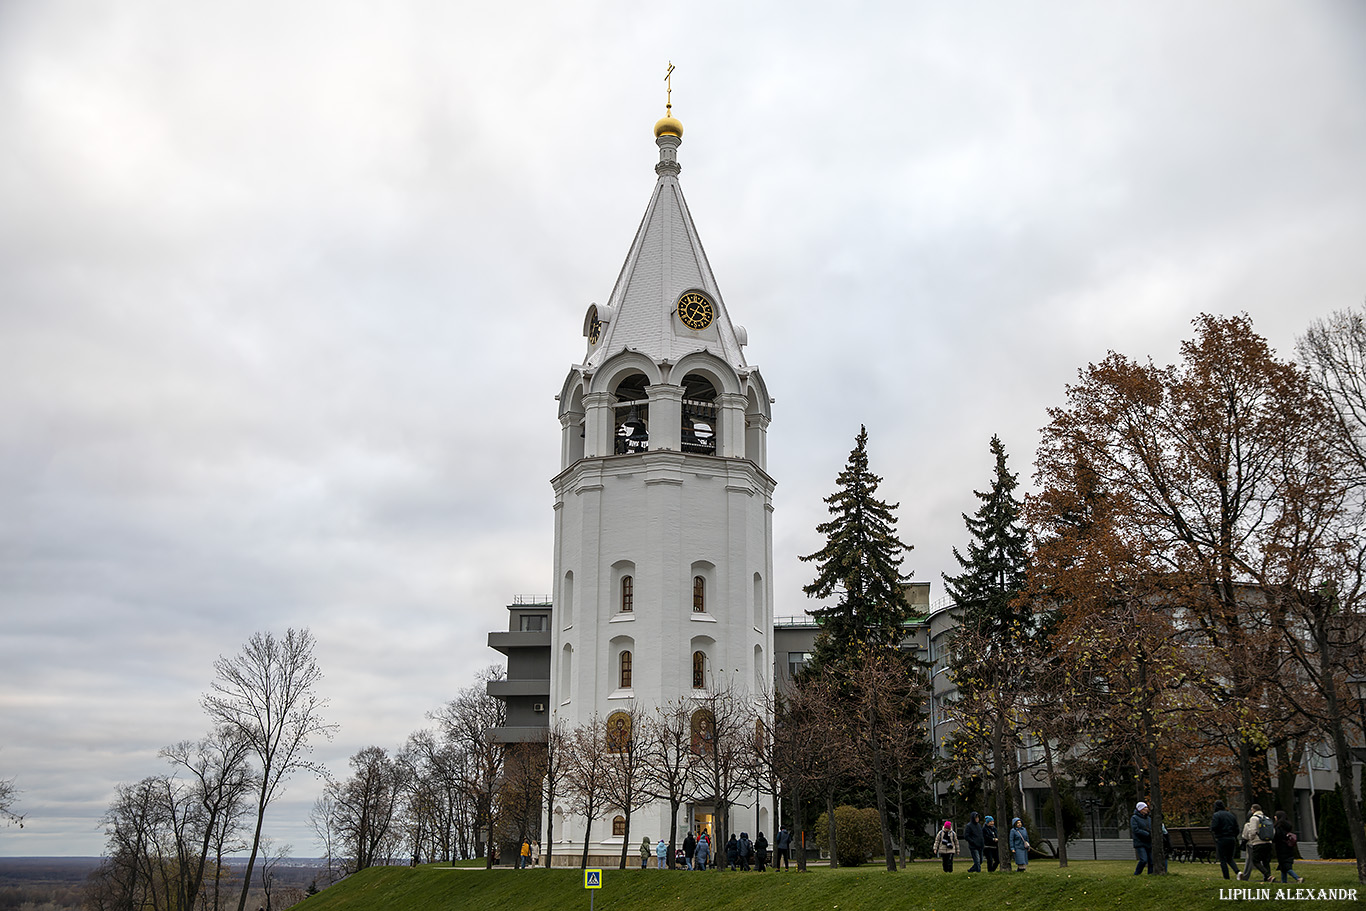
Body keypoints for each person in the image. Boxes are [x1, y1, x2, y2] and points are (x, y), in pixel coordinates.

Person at [1239, 804, 1273, 882]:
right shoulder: (1267, 818)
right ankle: (1267, 878)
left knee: (1255, 861)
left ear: (1253, 810)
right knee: (1266, 861)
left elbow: (1253, 831)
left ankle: (1268, 875)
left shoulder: (1254, 818)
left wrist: (1252, 839)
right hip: (1268, 842)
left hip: (1258, 842)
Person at [1210, 800, 1240, 880]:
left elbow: (1214, 827)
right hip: (1231, 838)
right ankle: (1237, 872)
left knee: (1222, 859)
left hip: (1221, 838)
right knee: (1230, 858)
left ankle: (1226, 877)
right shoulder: (1231, 815)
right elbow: (1237, 828)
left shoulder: (1216, 815)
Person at [1273, 810, 1304, 884]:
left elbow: (1277, 837)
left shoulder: (1279, 827)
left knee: (1285, 866)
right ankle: (1284, 881)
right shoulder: (1288, 825)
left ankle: (1297, 878)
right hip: (1289, 847)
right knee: (1284, 866)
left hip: (1281, 848)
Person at [1131, 801, 1153, 875]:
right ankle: (1137, 873)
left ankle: (1150, 874)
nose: (1147, 809)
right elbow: (1135, 829)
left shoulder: (1148, 818)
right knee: (1143, 859)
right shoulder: (1134, 818)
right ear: (1140, 809)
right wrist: (1146, 834)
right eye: (1145, 808)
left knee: (1151, 860)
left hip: (1148, 842)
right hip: (1140, 842)